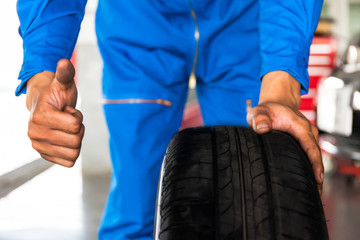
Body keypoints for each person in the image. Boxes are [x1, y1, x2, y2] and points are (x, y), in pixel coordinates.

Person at [16, 0, 324, 239]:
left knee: (259, 184)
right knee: (136, 201)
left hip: (242, 19)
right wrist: (42, 77)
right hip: (139, 20)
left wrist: (281, 86)